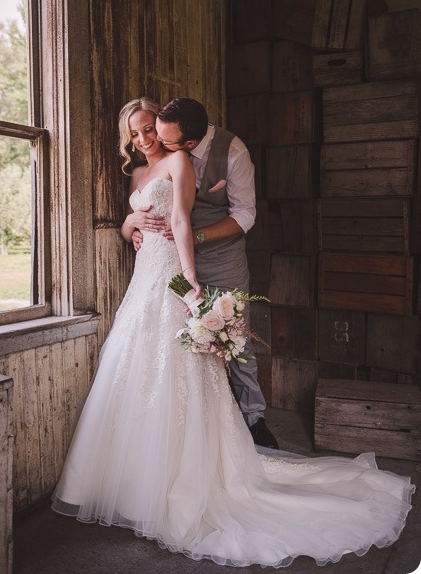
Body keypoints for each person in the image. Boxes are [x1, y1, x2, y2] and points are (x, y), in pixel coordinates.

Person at [52, 97, 414, 569]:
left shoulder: (187, 160)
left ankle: (220, 449)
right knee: (133, 367)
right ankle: (131, 483)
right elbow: (133, 227)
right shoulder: (138, 174)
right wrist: (131, 223)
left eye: (151, 131)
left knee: (190, 365)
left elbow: (185, 221)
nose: (145, 140)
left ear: (180, 137)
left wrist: (190, 282)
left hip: (174, 272)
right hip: (142, 280)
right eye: (136, 133)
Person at [134, 97, 278, 449]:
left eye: (166, 141)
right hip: (171, 259)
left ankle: (254, 418)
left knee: (236, 337)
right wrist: (134, 225)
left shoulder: (233, 152)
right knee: (183, 342)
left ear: (190, 143)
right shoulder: (165, 147)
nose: (156, 143)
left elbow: (245, 215)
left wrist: (197, 237)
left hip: (221, 256)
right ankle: (201, 424)